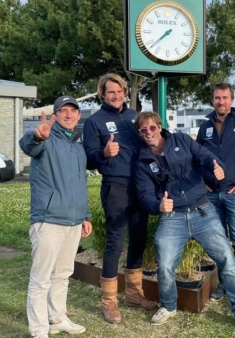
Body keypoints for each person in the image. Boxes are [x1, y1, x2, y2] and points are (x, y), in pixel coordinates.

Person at [134, 111, 235, 333]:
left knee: (227, 259)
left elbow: (205, 156)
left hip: (203, 211)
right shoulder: (142, 161)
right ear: (140, 134)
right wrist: (158, 206)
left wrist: (216, 165)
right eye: (143, 130)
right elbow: (145, 195)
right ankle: (168, 305)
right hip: (172, 217)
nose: (149, 132)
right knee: (166, 264)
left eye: (152, 127)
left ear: (159, 126)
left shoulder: (180, 139)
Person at [82, 74, 157, 324]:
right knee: (115, 242)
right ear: (102, 94)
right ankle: (109, 302)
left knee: (138, 239)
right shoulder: (95, 122)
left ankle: (134, 295)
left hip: (141, 186)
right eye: (110, 92)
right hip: (116, 186)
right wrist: (104, 152)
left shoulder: (135, 116)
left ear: (125, 91)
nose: (115, 95)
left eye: (119, 91)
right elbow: (89, 158)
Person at [19, 96, 93, 338]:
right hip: (48, 220)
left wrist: (85, 215)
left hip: (73, 222)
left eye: (73, 111)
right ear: (56, 114)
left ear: (79, 115)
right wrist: (37, 135)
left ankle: (57, 318)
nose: (69, 115)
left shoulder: (77, 145)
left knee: (62, 274)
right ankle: (39, 331)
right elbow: (30, 144)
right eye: (64, 111)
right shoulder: (47, 138)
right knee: (41, 279)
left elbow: (79, 185)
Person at [196, 82, 235, 304]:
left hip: (234, 193)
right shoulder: (205, 127)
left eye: (224, 98)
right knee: (220, 241)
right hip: (211, 195)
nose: (220, 102)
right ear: (212, 100)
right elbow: (197, 156)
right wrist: (203, 182)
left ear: (232, 100)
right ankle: (224, 282)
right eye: (217, 98)